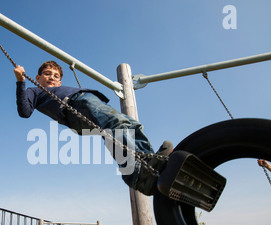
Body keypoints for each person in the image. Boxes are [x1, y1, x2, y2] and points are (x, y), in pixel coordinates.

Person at [14, 61, 172, 196]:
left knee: (130, 125)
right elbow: (25, 111)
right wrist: (21, 80)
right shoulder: (34, 91)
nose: (51, 78)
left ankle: (149, 164)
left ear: (60, 82)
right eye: (47, 74)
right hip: (74, 105)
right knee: (115, 123)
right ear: (37, 78)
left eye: (56, 76)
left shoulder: (58, 88)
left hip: (87, 100)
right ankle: (137, 175)